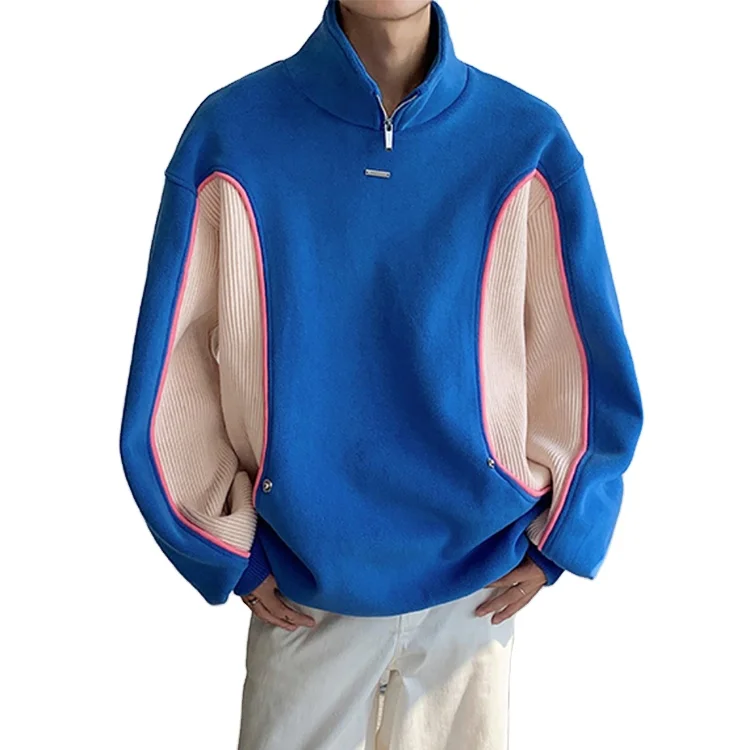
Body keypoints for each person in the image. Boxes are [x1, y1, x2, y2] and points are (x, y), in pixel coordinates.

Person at [118, 0, 643, 747]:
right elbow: (170, 370)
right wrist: (219, 545)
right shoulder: (231, 135)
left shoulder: (526, 141)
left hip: (476, 587)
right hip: (303, 582)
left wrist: (566, 530)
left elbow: (583, 356)